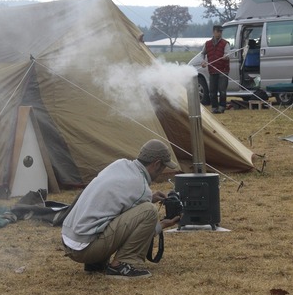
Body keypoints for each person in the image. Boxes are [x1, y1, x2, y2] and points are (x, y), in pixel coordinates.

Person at [61, 139, 181, 279]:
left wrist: (150, 197)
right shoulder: (141, 188)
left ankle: (95, 263)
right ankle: (122, 265)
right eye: (163, 167)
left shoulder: (119, 164)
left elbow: (116, 199)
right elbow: (138, 230)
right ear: (157, 164)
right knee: (149, 211)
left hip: (69, 241)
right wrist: (163, 225)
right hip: (85, 249)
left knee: (113, 214)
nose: (161, 172)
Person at [201, 25, 230, 114]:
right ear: (214, 32)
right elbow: (203, 54)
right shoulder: (207, 43)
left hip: (223, 70)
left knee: (222, 91)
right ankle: (214, 107)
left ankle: (222, 107)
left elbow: (228, 55)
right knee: (212, 91)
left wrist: (226, 57)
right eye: (218, 31)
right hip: (212, 70)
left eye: (221, 31)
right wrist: (203, 61)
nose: (220, 33)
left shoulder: (226, 43)